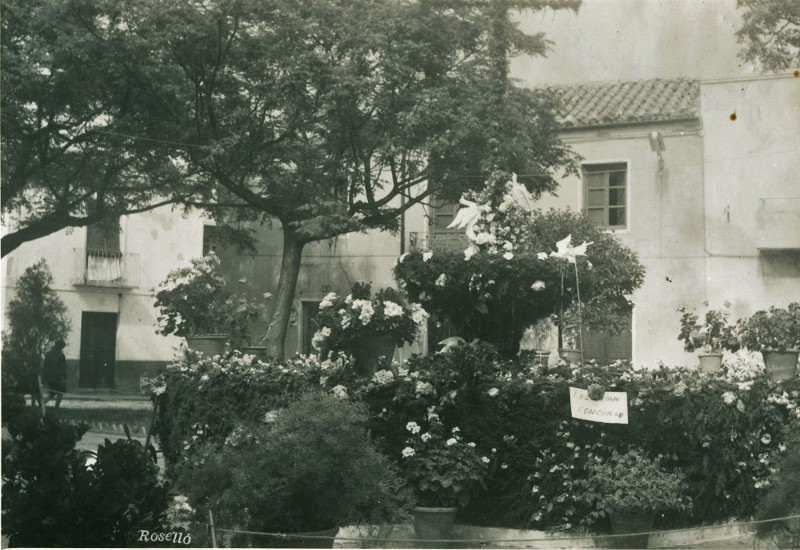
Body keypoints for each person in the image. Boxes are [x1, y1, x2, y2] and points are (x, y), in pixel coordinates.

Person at [42, 339, 67, 409]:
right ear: (60, 347)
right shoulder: (61, 356)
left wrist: (45, 378)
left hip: (49, 378)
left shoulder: (48, 354)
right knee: (60, 393)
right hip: (58, 378)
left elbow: (44, 367)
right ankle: (56, 407)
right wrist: (63, 378)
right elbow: (62, 368)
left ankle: (42, 403)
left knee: (51, 393)